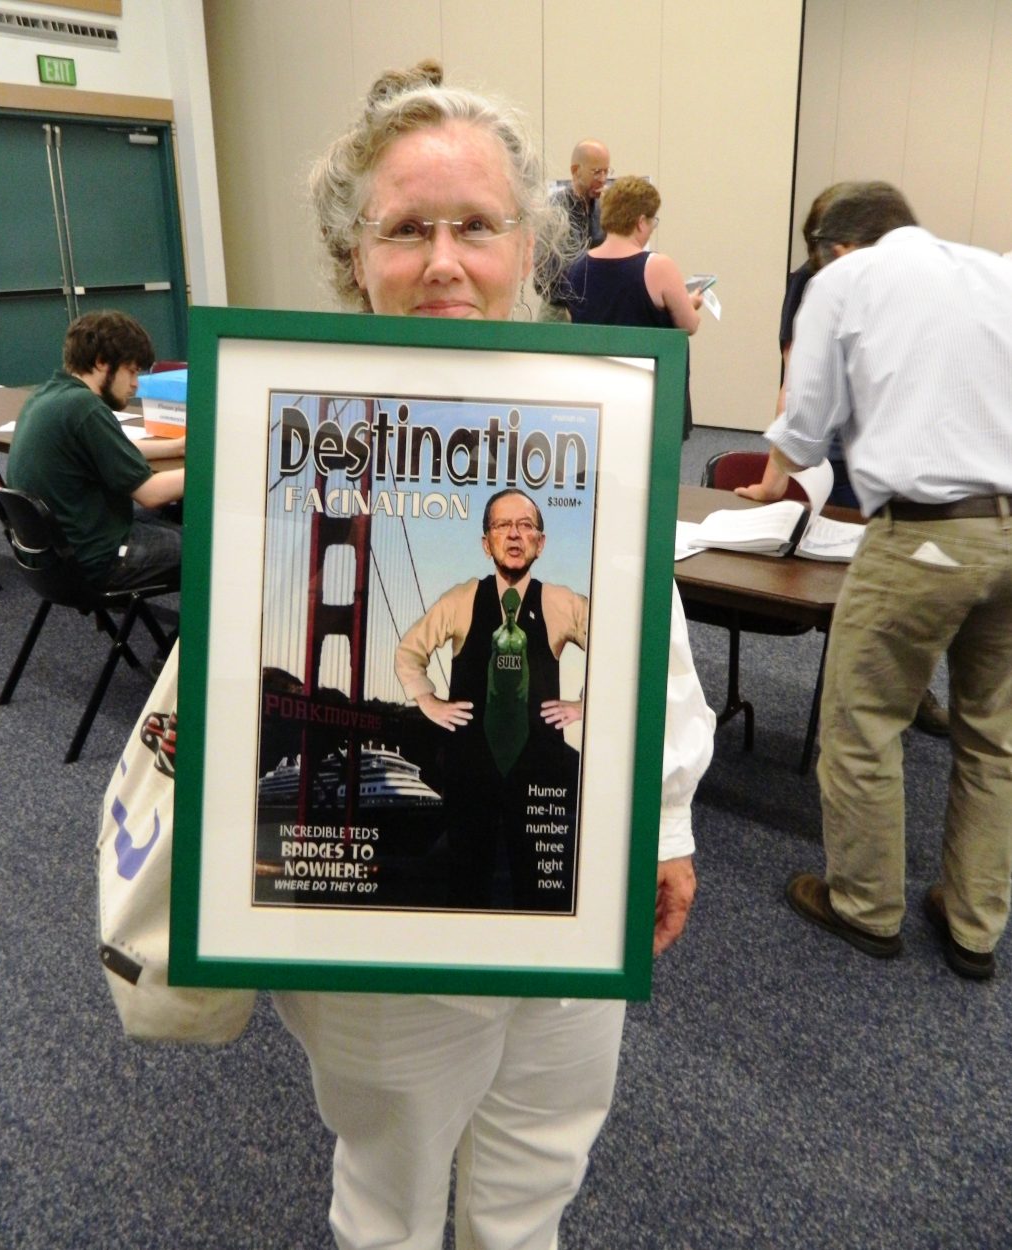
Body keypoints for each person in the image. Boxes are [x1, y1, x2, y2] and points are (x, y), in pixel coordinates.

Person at [267, 61, 715, 1249]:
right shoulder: (285, 427)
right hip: (387, 933)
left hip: (571, 889)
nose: (445, 260)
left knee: (534, 1180)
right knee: (392, 1187)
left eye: (476, 226)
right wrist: (418, 700)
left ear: (527, 245)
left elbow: (649, 638)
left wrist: (666, 818)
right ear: (353, 252)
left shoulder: (598, 418)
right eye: (406, 228)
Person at [767, 181, 1012, 981]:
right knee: (994, 738)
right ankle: (974, 924)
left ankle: (866, 905)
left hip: (924, 533)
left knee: (862, 719)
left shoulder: (845, 280)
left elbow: (805, 432)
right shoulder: (994, 271)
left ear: (833, 247)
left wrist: (782, 468)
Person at [736, 184, 950, 737]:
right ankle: (862, 684)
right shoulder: (813, 283)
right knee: (844, 574)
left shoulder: (915, 278)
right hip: (842, 446)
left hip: (904, 454)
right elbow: (796, 384)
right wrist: (773, 478)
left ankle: (904, 686)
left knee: (901, 583)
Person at [395, 487, 586, 911]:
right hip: (471, 766)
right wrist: (427, 699)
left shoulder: (561, 602)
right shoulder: (461, 599)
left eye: (525, 525)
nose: (514, 535)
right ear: (486, 544)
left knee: (540, 887)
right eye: (502, 526)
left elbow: (619, 646)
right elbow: (409, 652)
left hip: (538, 766)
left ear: (540, 542)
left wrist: (584, 705)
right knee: (466, 882)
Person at [6, 310, 184, 593]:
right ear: (102, 362)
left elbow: (113, 448)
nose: (136, 384)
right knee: (211, 545)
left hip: (54, 558)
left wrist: (175, 446)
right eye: (132, 371)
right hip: (98, 561)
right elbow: (151, 494)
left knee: (174, 524)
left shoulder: (47, 395)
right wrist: (213, 466)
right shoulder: (85, 408)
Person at [563, 175, 702, 435]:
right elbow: (689, 325)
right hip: (653, 398)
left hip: (596, 396)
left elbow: (576, 323)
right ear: (640, 222)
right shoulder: (658, 266)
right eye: (652, 221)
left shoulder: (577, 269)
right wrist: (691, 302)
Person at [534, 137, 611, 319]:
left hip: (591, 309)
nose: (603, 179)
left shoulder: (601, 207)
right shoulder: (555, 208)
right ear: (575, 171)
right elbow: (556, 269)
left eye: (606, 172)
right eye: (596, 172)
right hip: (559, 311)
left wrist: (613, 216)